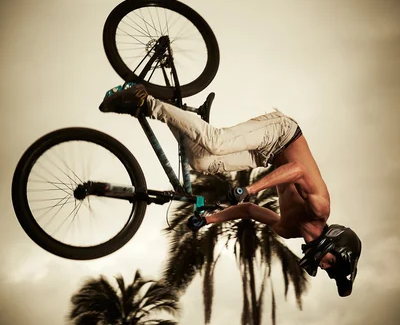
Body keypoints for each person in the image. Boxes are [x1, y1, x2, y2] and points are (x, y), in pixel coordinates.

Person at [100, 84, 362, 297]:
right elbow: (297, 169)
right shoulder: (319, 208)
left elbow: (248, 210)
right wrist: (250, 188)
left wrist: (208, 219)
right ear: (337, 245)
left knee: (201, 162)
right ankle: (146, 102)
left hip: (265, 156)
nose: (322, 265)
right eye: (331, 263)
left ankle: (178, 111)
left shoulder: (287, 229)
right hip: (283, 135)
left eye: (326, 269)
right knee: (216, 141)